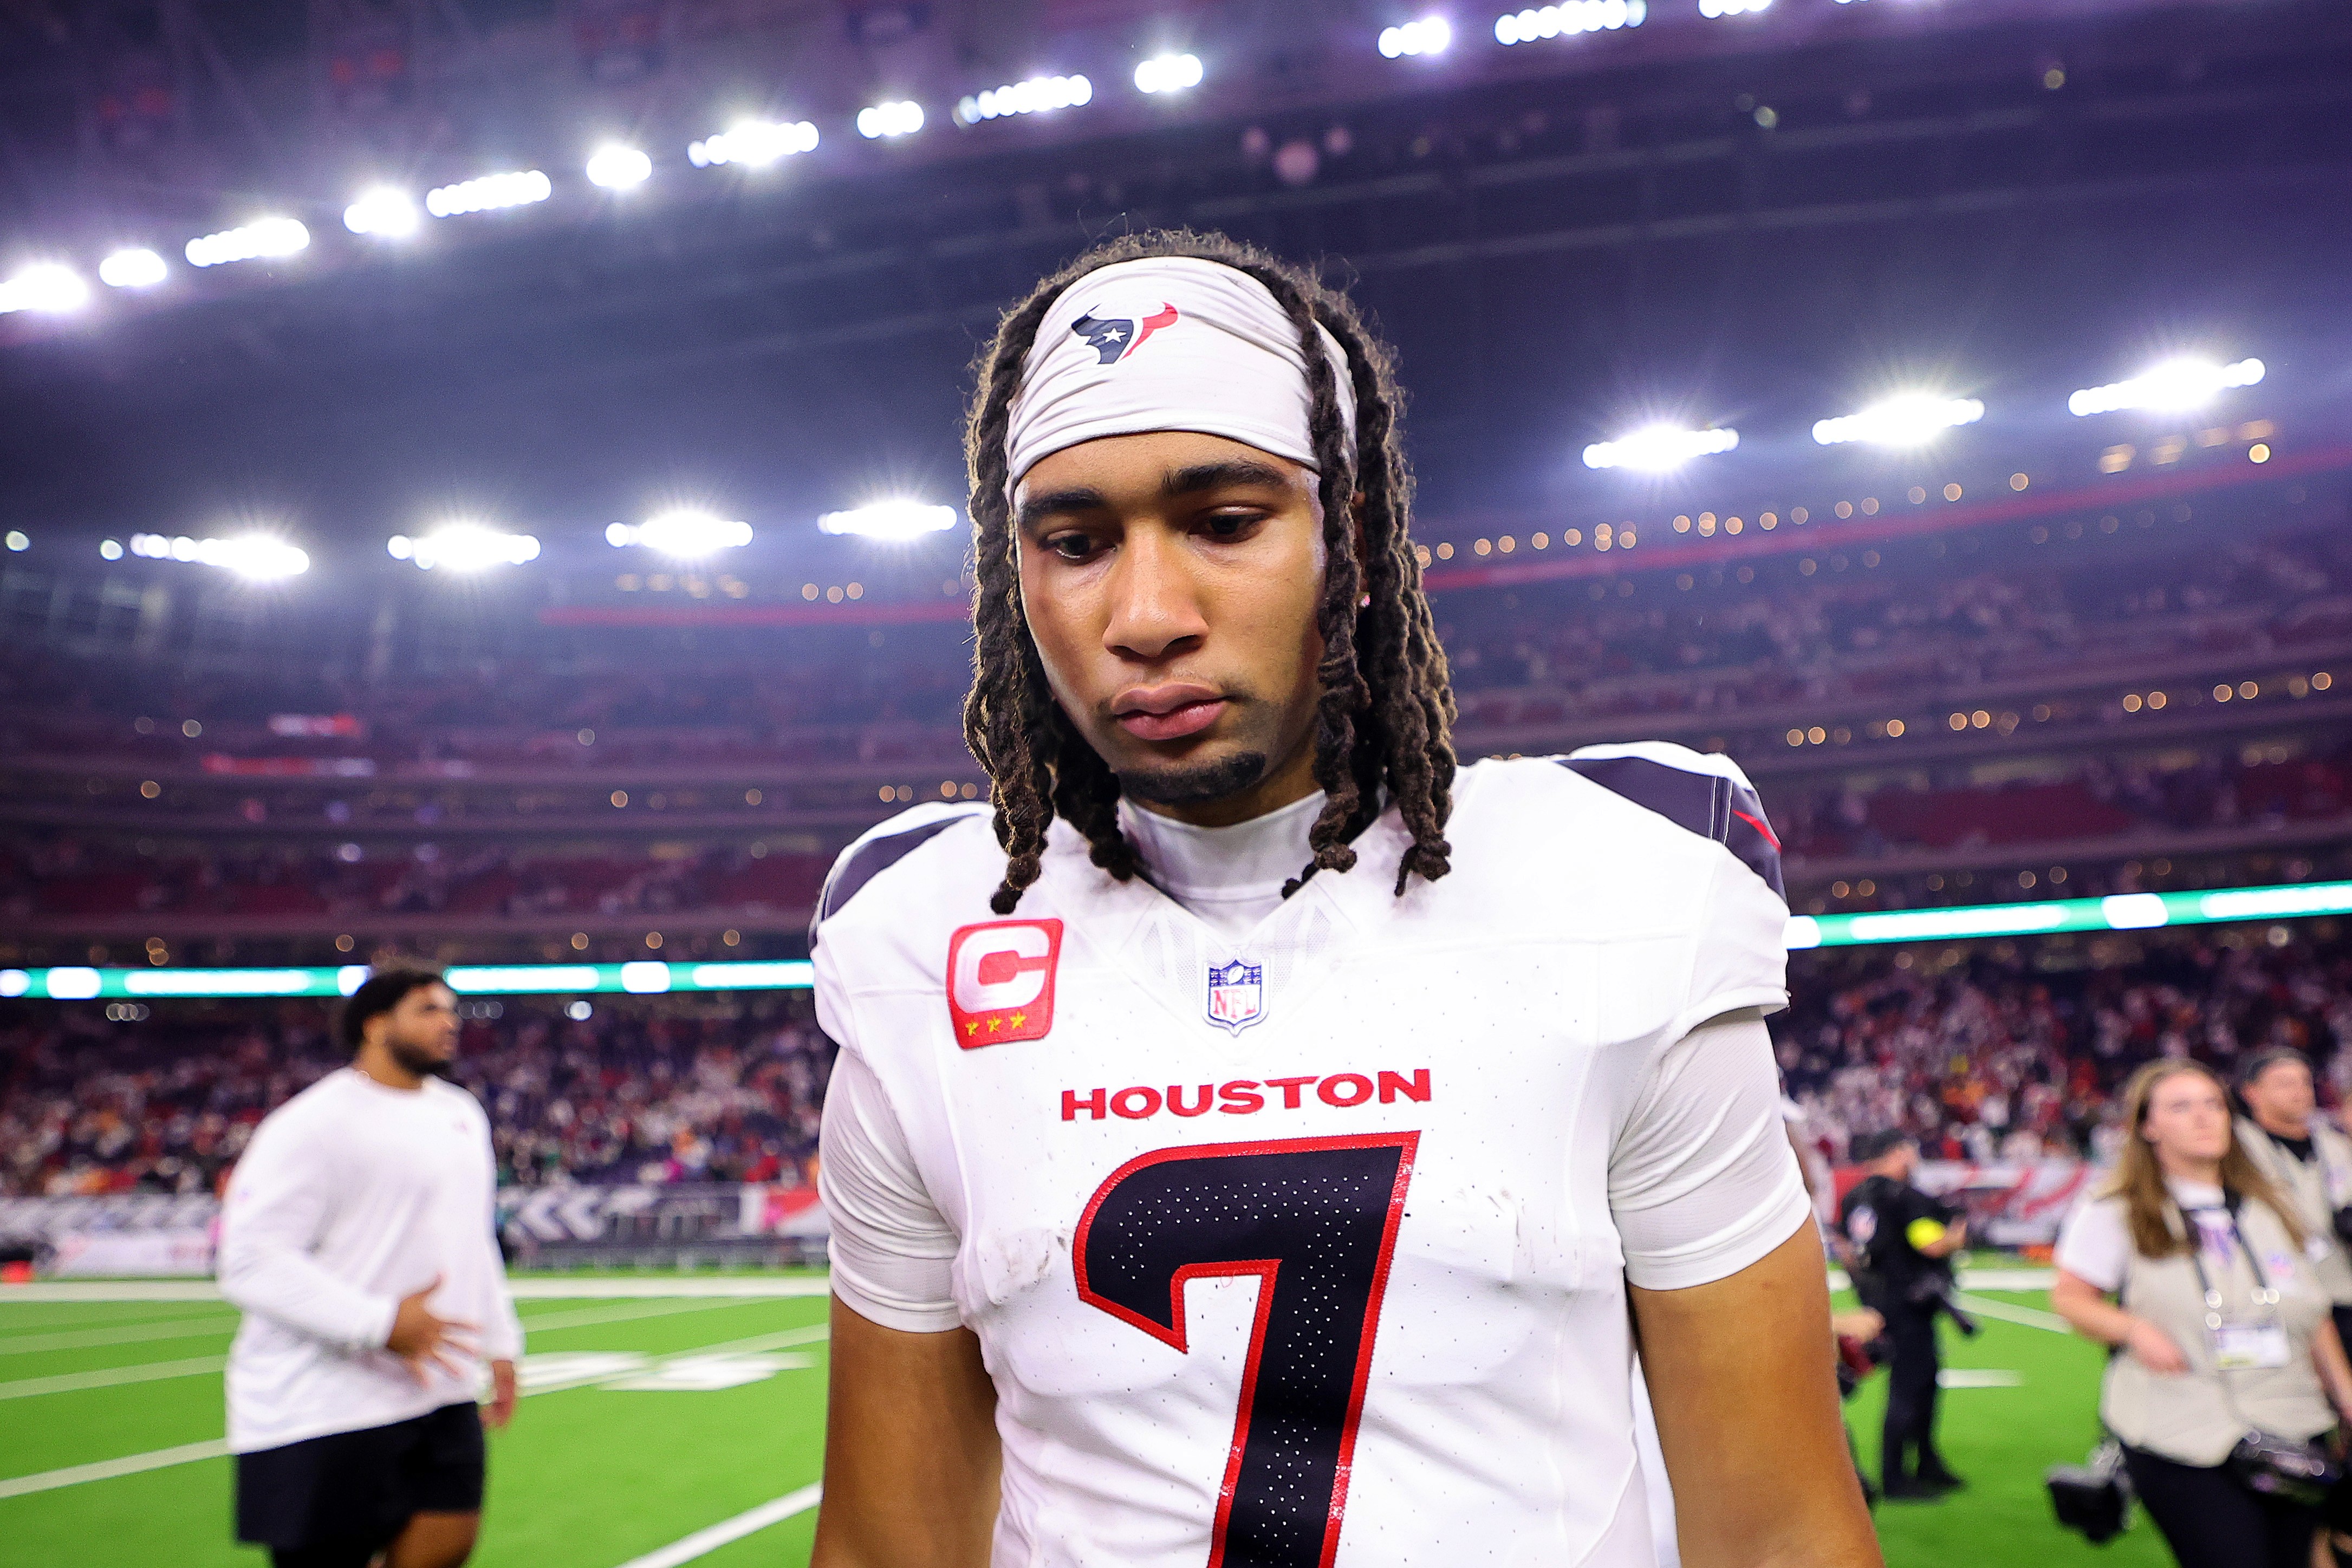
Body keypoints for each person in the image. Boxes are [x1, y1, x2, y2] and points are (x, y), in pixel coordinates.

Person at [808, 230, 1880, 1568]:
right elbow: (889, 1545)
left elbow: (1777, 1533)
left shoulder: (1613, 888)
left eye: (1225, 523)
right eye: (1075, 543)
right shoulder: (918, 943)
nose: (1146, 613)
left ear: (1349, 535)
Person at [218, 967, 523, 1568]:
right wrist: (380, 1323)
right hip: (324, 1401)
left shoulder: (461, 1113)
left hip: (440, 1387)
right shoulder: (312, 1123)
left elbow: (473, 1238)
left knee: (450, 1542)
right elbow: (250, 1259)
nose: (449, 1023)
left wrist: (502, 1341)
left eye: (451, 1010)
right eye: (428, 1010)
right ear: (376, 1024)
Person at [2052, 1059, 2352, 1568]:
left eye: (2214, 1104)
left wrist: (2346, 1398)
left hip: (2291, 1424)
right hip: (2180, 1428)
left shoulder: (2269, 1205)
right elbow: (2070, 1297)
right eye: (2180, 1106)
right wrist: (2133, 1328)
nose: (2203, 1117)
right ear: (2148, 1126)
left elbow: (2313, 1314)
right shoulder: (2117, 1207)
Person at [1838, 1129, 1969, 1500]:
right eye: (1909, 1151)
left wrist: (1867, 1289)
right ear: (1896, 1153)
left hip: (1878, 1302)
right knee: (1911, 1386)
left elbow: (1846, 1250)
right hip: (1909, 1303)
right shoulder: (1903, 1196)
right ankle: (1895, 1477)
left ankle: (1927, 1461)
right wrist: (1956, 1237)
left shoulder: (1854, 1198)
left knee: (1920, 1380)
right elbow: (1931, 1245)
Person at [2236, 1049, 2352, 1348]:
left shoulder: (2335, 1144)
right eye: (2285, 1083)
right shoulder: (2236, 1149)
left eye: (2305, 1082)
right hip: (2282, 1293)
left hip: (2342, 1285)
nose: (2300, 1091)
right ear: (2252, 1092)